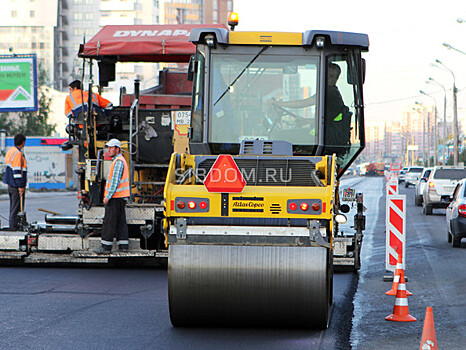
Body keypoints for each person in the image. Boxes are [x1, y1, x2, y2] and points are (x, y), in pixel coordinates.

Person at [272, 63, 352, 153]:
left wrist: (279, 103)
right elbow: (328, 120)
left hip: (326, 137)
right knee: (291, 135)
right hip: (325, 135)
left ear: (336, 78)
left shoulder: (330, 92)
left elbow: (305, 103)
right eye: (328, 75)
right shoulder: (331, 92)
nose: (329, 78)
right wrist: (306, 121)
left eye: (332, 76)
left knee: (280, 136)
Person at [94, 138, 130, 254]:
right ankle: (123, 246)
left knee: (109, 221)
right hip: (120, 197)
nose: (109, 150)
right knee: (121, 222)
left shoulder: (118, 161)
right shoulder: (120, 160)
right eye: (108, 147)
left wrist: (107, 196)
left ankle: (105, 247)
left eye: (111, 148)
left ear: (117, 149)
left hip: (115, 197)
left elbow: (114, 181)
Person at [3, 134, 27, 230]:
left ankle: (13, 225)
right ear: (23, 142)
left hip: (11, 184)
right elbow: (17, 171)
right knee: (16, 208)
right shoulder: (18, 153)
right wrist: (20, 186)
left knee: (13, 207)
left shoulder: (10, 151)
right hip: (16, 185)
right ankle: (14, 227)